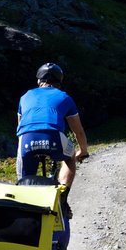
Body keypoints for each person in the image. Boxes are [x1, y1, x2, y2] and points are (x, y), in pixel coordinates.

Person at [16, 62, 90, 194]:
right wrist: (83, 151)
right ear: (59, 82)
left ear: (39, 80)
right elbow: (78, 131)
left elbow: (20, 126)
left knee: (24, 185)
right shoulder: (64, 97)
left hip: (27, 139)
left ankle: (25, 203)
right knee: (70, 155)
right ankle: (62, 195)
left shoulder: (25, 96)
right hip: (53, 137)